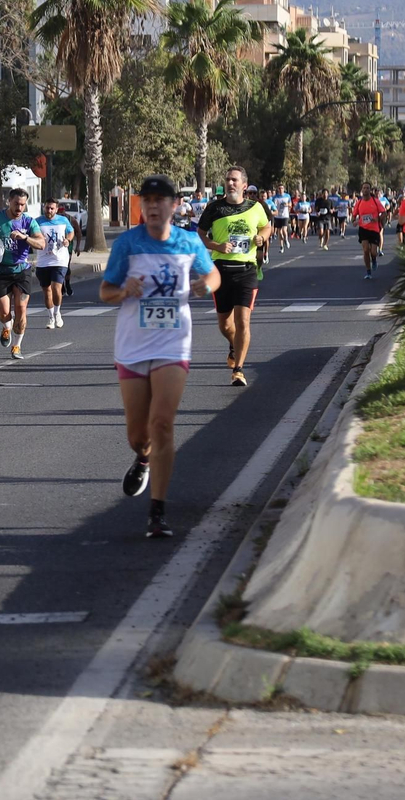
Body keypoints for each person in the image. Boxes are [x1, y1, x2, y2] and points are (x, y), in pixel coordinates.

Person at [100, 176, 219, 540]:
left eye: (160, 200)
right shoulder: (128, 244)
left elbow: (212, 273)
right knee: (139, 434)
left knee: (163, 423)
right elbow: (105, 292)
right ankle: (143, 458)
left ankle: (157, 511)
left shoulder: (187, 242)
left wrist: (206, 285)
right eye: (147, 200)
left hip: (172, 343)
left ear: (174, 206)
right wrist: (124, 290)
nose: (153, 206)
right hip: (133, 345)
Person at [198, 167, 273, 387]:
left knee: (243, 321)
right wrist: (216, 245)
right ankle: (233, 344)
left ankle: (238, 370)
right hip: (221, 271)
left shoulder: (255, 207)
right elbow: (201, 233)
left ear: (243, 185)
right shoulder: (214, 208)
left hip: (246, 271)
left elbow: (267, 227)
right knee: (225, 325)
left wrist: (261, 237)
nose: (230, 183)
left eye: (234, 180)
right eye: (228, 179)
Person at [0, 188, 46, 360]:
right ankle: (6, 326)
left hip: (21, 270)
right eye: (16, 204)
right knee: (3, 312)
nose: (20, 208)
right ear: (9, 201)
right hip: (0, 271)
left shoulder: (29, 222)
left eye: (23, 204)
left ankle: (17, 346)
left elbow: (41, 244)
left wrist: (25, 238)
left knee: (21, 309)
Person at [35, 198, 77, 329]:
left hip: (59, 259)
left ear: (56, 209)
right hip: (43, 261)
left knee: (56, 287)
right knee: (47, 291)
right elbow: (31, 234)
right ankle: (50, 317)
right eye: (47, 208)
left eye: (52, 208)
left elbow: (71, 231)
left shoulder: (63, 220)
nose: (49, 210)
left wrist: (68, 240)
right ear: (44, 208)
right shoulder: (37, 221)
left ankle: (57, 312)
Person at [353, 184, 388, 279]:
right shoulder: (359, 202)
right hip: (363, 229)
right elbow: (354, 215)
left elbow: (384, 212)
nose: (365, 190)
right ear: (362, 190)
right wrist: (355, 221)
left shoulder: (375, 201)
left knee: (373, 251)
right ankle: (368, 272)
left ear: (370, 190)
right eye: (364, 188)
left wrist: (378, 218)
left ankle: (374, 259)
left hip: (374, 229)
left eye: (367, 188)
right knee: (365, 250)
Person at [269, 184, 293, 254]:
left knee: (284, 230)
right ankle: (281, 246)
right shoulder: (275, 197)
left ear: (284, 189)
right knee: (280, 232)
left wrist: (287, 205)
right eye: (279, 188)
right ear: (278, 189)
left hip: (285, 215)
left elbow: (290, 205)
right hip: (277, 216)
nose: (280, 190)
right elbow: (272, 206)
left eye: (282, 188)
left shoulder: (287, 196)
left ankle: (286, 239)